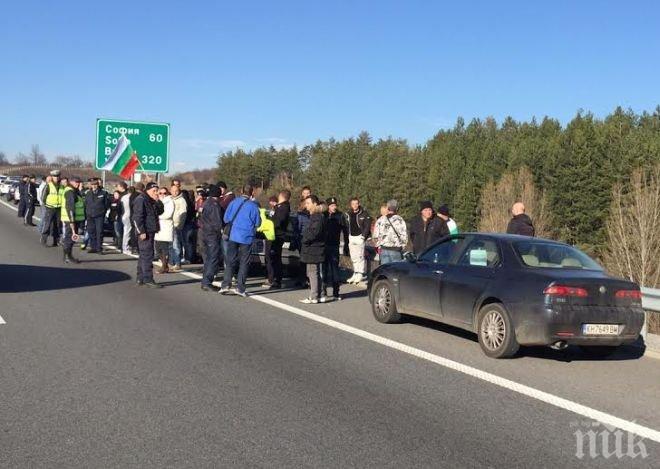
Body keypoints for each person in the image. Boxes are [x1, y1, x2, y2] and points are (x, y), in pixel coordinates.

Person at [219, 184, 261, 297]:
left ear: (241, 191)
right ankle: (240, 288)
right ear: (252, 193)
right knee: (244, 262)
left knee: (230, 260)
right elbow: (258, 223)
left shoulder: (233, 202)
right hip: (246, 237)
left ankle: (225, 285)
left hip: (233, 235)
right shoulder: (254, 206)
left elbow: (226, 218)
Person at [132, 182, 164, 288]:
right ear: (148, 190)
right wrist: (141, 231)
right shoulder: (141, 200)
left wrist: (158, 200)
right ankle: (148, 278)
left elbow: (160, 211)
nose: (156, 193)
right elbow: (137, 218)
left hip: (151, 230)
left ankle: (140, 277)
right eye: (154, 191)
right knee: (147, 255)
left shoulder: (151, 201)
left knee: (144, 255)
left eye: (157, 191)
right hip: (145, 231)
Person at [299, 195, 326, 304]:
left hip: (314, 248)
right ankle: (320, 294)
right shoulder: (316, 216)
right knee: (315, 272)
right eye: (306, 203)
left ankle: (314, 296)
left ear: (315, 204)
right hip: (314, 248)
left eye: (308, 203)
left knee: (312, 272)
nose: (307, 205)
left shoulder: (317, 216)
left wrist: (304, 238)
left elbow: (313, 233)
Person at [264, 189, 291, 289]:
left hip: (277, 235)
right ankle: (272, 278)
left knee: (274, 257)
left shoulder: (284, 207)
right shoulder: (279, 207)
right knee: (271, 257)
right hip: (272, 235)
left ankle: (275, 279)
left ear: (282, 196)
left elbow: (279, 221)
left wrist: (270, 224)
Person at [323, 197, 348, 301]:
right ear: (328, 206)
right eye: (332, 205)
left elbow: (345, 230)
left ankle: (336, 292)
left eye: (335, 205)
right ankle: (323, 292)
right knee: (323, 270)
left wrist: (346, 243)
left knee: (335, 270)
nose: (334, 207)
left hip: (334, 246)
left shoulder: (340, 215)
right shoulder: (323, 215)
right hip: (324, 245)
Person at [200, 185, 224, 291]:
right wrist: (221, 230)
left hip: (205, 232)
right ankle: (207, 281)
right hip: (212, 234)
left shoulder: (205, 203)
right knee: (213, 258)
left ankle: (205, 280)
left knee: (208, 258)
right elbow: (217, 222)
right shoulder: (214, 205)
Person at [345, 197, 371, 284]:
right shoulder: (348, 214)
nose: (355, 205)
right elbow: (346, 226)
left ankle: (360, 273)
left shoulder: (364, 213)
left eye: (356, 203)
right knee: (354, 257)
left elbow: (367, 226)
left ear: (359, 204)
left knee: (360, 256)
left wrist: (363, 236)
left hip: (360, 237)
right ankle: (355, 273)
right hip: (351, 237)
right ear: (351, 205)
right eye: (353, 204)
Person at [373, 199, 408, 264]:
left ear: (388, 208)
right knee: (396, 272)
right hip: (396, 250)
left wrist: (379, 246)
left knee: (385, 271)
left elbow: (375, 236)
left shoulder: (381, 219)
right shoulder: (400, 220)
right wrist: (402, 247)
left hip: (384, 250)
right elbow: (404, 237)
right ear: (397, 208)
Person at [60, 177, 85, 264]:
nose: (77, 184)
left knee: (70, 238)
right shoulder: (70, 191)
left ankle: (67, 256)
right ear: (71, 182)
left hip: (73, 219)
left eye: (79, 182)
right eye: (76, 182)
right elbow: (70, 207)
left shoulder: (74, 190)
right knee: (69, 238)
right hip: (70, 219)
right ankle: (68, 256)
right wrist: (72, 221)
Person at [84, 178, 110, 254]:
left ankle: (99, 248)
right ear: (91, 186)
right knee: (91, 231)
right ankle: (93, 247)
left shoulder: (103, 193)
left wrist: (102, 212)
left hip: (99, 216)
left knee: (99, 232)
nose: (94, 186)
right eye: (92, 185)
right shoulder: (88, 193)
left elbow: (106, 204)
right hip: (90, 215)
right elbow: (86, 204)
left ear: (98, 185)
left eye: (95, 185)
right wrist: (87, 213)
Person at [40, 170, 63, 247]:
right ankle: (43, 240)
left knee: (57, 225)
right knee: (47, 224)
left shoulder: (62, 186)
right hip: (50, 208)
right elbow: (43, 197)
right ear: (52, 177)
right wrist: (47, 205)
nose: (56, 178)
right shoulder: (48, 185)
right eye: (54, 176)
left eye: (57, 176)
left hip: (59, 208)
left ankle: (56, 241)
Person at [155, 187, 175, 274]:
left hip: (166, 227)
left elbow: (168, 214)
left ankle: (164, 266)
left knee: (164, 248)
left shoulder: (170, 201)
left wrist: (157, 217)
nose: (162, 195)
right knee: (158, 248)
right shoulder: (157, 202)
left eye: (164, 193)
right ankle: (165, 265)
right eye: (160, 193)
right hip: (158, 227)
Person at [169, 184, 188, 272]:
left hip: (176, 225)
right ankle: (171, 262)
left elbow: (183, 214)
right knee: (170, 245)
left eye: (176, 191)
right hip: (168, 225)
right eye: (173, 190)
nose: (175, 192)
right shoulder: (168, 199)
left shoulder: (182, 200)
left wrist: (180, 226)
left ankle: (177, 263)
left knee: (176, 245)